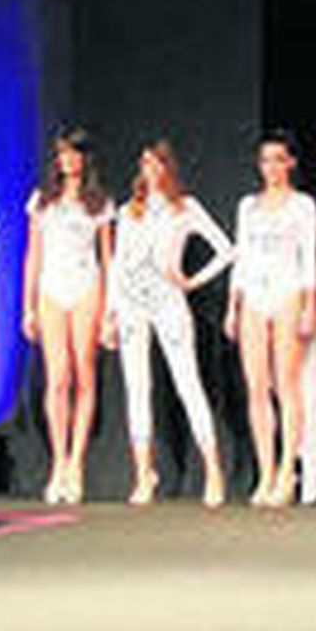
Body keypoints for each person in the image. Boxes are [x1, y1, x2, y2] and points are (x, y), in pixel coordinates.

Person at [111, 140, 234, 507]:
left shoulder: (187, 208)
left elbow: (227, 249)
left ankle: (213, 471)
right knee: (137, 386)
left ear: (168, 168)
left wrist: (191, 280)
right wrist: (109, 312)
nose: (151, 169)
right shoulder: (128, 210)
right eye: (145, 162)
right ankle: (144, 473)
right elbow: (117, 266)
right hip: (132, 304)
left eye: (158, 163)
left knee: (187, 383)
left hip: (168, 300)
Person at [224, 130, 316, 507]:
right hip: (253, 295)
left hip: (289, 291)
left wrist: (311, 304)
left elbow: (309, 256)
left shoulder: (302, 205)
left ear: (291, 163)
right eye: (266, 160)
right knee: (257, 387)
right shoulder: (248, 205)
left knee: (287, 383)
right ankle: (265, 472)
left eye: (280, 159)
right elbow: (241, 255)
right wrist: (233, 305)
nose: (272, 167)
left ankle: (286, 471)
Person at [22, 129, 115, 504]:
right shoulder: (42, 201)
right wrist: (27, 306)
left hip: (86, 287)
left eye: (75, 154)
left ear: (85, 159)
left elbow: (108, 258)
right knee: (57, 378)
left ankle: (77, 463)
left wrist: (110, 311)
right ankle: (58, 462)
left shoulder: (99, 202)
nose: (69, 160)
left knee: (84, 374)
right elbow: (34, 255)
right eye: (63, 154)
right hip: (51, 289)